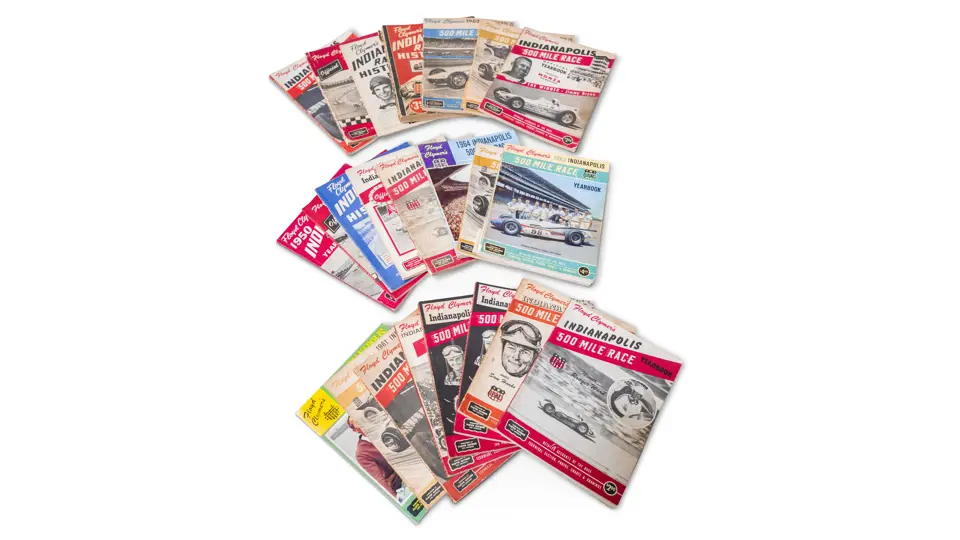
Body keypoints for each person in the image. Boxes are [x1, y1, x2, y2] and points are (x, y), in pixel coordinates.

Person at [347, 416, 402, 495]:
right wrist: (396, 499)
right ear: (355, 430)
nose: (360, 423)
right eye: (356, 422)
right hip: (399, 480)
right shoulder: (361, 454)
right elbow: (379, 479)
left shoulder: (384, 428)